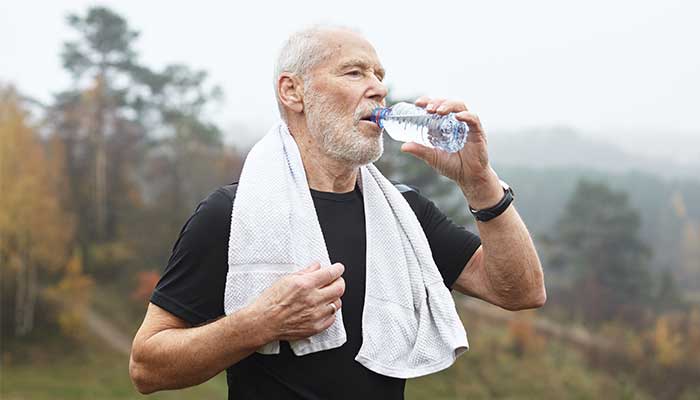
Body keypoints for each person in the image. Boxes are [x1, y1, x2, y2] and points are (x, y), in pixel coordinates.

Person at [129, 25, 546, 399]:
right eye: (354, 72)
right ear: (293, 92)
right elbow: (146, 367)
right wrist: (258, 323)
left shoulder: (403, 212)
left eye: (379, 76)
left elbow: (520, 291)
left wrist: (481, 183)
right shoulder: (232, 212)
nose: (379, 88)